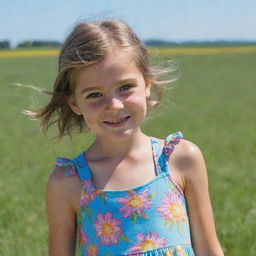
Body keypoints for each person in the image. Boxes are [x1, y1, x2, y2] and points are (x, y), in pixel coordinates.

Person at [28, 19, 224, 256]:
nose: (114, 105)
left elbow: (209, 250)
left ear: (147, 84)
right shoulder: (67, 183)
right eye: (94, 94)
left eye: (125, 87)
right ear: (74, 103)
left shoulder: (181, 159)